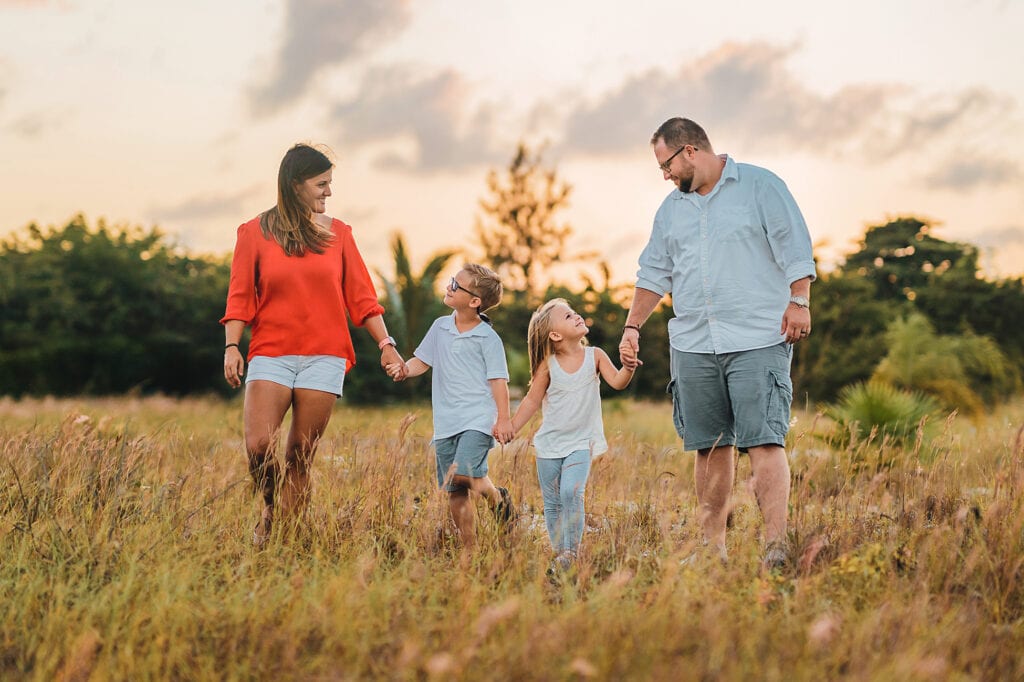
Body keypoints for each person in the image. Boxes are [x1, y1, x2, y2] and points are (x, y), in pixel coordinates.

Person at [619, 118, 816, 569]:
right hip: (692, 343)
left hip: (757, 337)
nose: (665, 175)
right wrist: (631, 327)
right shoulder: (671, 210)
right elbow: (653, 273)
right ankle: (711, 551)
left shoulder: (761, 187)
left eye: (666, 164)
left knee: (764, 442)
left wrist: (799, 300)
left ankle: (776, 549)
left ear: (689, 151)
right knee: (707, 447)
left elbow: (794, 247)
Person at [222, 142, 405, 546]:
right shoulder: (253, 232)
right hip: (271, 351)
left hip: (324, 355)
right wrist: (232, 346)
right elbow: (239, 297)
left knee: (300, 456)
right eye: (321, 183)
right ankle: (270, 508)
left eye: (330, 183)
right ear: (295, 185)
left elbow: (362, 297)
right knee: (258, 447)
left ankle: (286, 542)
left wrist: (386, 344)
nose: (328, 192)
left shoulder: (340, 234)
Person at [386, 264, 516, 551]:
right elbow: (423, 360)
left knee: (464, 473)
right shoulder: (440, 327)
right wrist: (405, 370)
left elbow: (498, 382)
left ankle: (498, 499)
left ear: (474, 302)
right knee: (454, 490)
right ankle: (468, 549)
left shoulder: (488, 338)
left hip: (477, 419)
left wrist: (504, 419)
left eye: (456, 285)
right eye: (451, 281)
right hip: (446, 421)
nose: (449, 287)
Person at [503, 298, 636, 573]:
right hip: (550, 444)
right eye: (568, 316)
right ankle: (560, 554)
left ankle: (570, 553)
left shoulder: (595, 356)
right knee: (552, 503)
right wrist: (512, 426)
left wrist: (629, 367)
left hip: (580, 442)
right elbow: (530, 401)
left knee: (571, 491)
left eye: (575, 312)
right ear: (555, 335)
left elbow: (618, 382)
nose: (576, 316)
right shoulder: (548, 366)